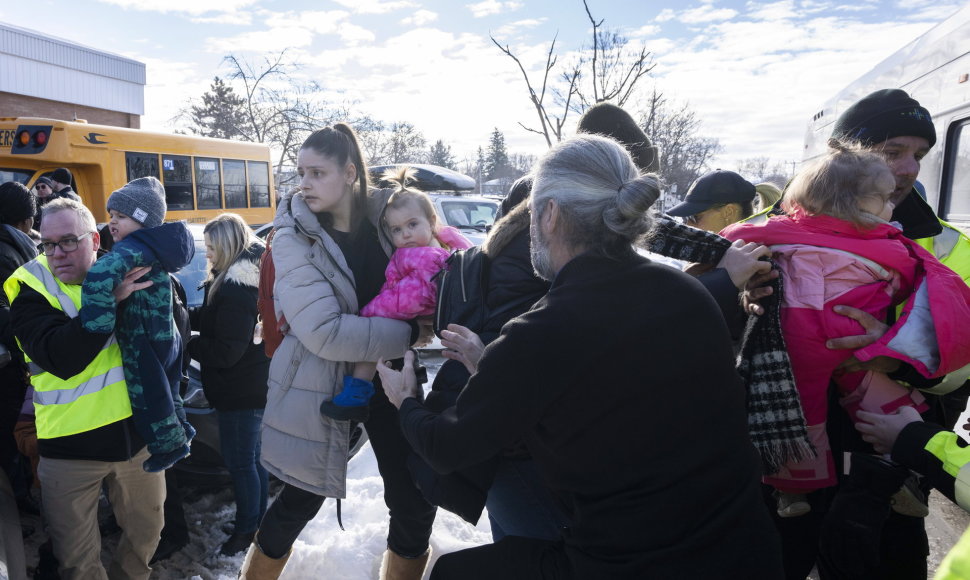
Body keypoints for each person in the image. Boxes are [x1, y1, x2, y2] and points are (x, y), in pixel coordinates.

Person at [378, 134, 783, 579]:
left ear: (548, 215)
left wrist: (407, 401)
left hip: (638, 563)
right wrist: (490, 364)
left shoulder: (543, 330)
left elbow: (447, 447)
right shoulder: (689, 293)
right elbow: (605, 393)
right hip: (747, 550)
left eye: (532, 212)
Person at [742, 88, 970, 580]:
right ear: (845, 158)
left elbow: (965, 360)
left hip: (886, 463)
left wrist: (896, 351)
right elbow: (699, 313)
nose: (909, 169)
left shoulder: (949, 245)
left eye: (920, 154)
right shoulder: (767, 229)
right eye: (893, 152)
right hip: (775, 450)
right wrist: (741, 301)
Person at [239, 124, 436, 580]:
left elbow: (429, 258)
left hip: (387, 377)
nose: (303, 183)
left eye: (316, 172)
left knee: (412, 498)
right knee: (301, 498)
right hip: (319, 379)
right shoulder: (294, 237)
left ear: (349, 174)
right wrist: (408, 332)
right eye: (300, 172)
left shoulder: (388, 220)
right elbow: (324, 332)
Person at [5, 197, 163, 580]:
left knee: (145, 538)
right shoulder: (27, 286)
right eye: (48, 243)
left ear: (95, 240)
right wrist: (107, 303)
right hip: (68, 448)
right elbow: (62, 357)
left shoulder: (127, 268)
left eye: (68, 241)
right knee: (77, 561)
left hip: (135, 441)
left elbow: (165, 339)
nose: (57, 253)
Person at [321, 166, 472, 422]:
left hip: (403, 311)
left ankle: (356, 394)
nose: (405, 234)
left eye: (412, 225)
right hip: (409, 315)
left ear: (431, 222)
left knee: (371, 343)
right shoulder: (434, 247)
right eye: (396, 230)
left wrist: (370, 311)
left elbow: (414, 296)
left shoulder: (426, 255)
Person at [80, 176, 196, 473]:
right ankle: (182, 428)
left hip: (139, 333)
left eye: (120, 216)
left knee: (148, 394)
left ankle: (168, 446)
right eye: (111, 216)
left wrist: (98, 322)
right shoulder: (157, 248)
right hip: (164, 332)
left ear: (142, 219)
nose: (112, 223)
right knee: (168, 386)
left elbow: (97, 276)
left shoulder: (130, 248)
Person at [186, 213, 269, 556]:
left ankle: (248, 530)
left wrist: (189, 343)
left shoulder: (236, 288)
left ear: (228, 246)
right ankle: (257, 521)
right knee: (254, 460)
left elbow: (226, 351)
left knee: (242, 463)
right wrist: (184, 315)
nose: (207, 254)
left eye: (211, 248)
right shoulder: (237, 278)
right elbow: (216, 319)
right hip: (251, 386)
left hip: (241, 392)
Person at [666, 169, 757, 232]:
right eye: (686, 218)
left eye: (695, 217)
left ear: (729, 212)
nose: (687, 224)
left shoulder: (755, 258)